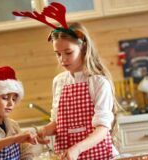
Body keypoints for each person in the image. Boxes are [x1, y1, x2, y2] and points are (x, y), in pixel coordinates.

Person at [37, 22, 120, 160]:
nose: (62, 59)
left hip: (100, 156)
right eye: (58, 54)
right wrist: (43, 131)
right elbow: (58, 123)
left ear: (83, 47)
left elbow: (102, 129)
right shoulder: (59, 82)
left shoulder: (98, 83)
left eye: (68, 52)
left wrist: (77, 149)